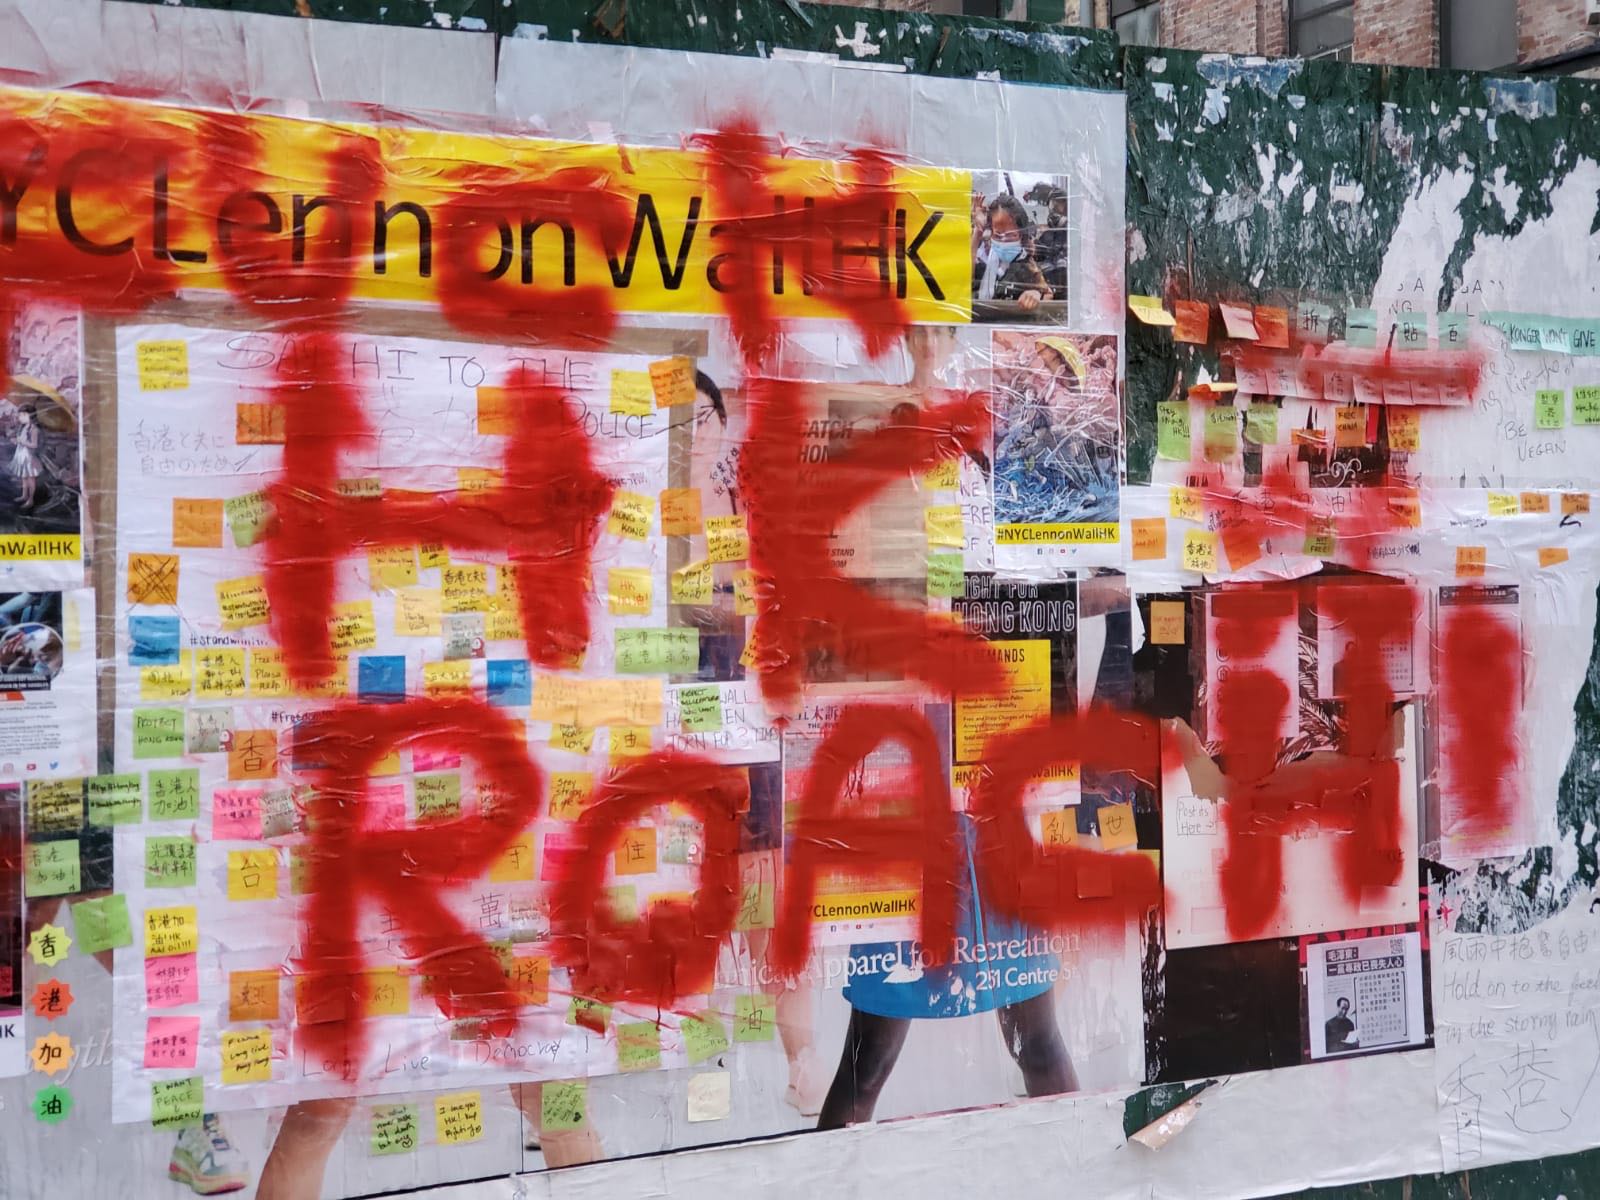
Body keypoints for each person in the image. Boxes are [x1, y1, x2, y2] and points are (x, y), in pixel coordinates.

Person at [970, 193, 1049, 311]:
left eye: (1011, 235)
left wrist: (1036, 295)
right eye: (998, 235)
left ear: (1021, 235)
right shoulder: (983, 259)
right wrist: (978, 231)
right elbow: (964, 279)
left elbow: (1048, 294)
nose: (1004, 241)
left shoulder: (1027, 266)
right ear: (990, 232)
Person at [11, 409, 39, 511]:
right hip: (21, 455)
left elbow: (34, 445)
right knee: (24, 477)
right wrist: (16, 441)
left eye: (23, 415)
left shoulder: (34, 429)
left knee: (30, 478)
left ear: (30, 415)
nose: (20, 417)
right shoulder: (23, 427)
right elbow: (21, 440)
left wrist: (22, 442)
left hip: (29, 457)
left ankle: (31, 499)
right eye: (20, 415)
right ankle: (24, 495)